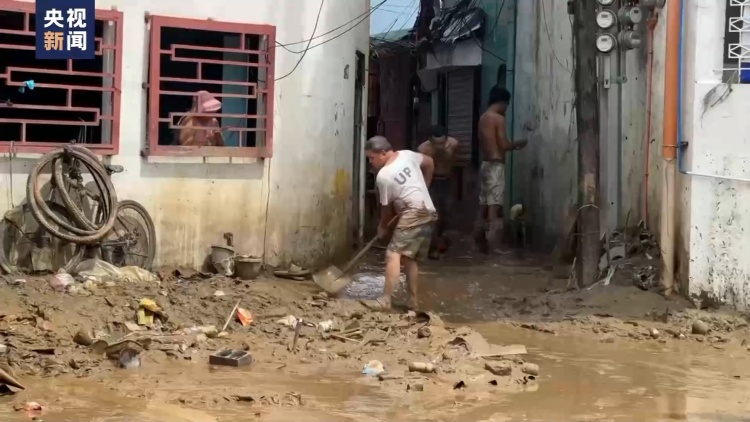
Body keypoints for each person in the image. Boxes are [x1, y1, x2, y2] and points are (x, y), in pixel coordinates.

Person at [362, 136, 436, 311]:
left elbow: (386, 209)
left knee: (392, 254)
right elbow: (430, 162)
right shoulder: (408, 155)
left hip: (414, 211)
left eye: (372, 158)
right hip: (429, 211)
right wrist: (425, 185)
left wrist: (382, 227)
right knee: (409, 258)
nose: (370, 163)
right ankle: (412, 301)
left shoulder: (384, 176)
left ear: (383, 153)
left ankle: (386, 300)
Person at [474, 86, 527, 253]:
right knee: (494, 206)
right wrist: (519, 144)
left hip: (485, 164)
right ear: (503, 103)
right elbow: (503, 145)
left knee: (483, 205)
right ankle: (494, 246)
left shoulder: (483, 118)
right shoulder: (498, 118)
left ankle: (478, 243)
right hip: (496, 165)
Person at [417, 125, 458, 259]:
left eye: (442, 143)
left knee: (447, 212)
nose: (440, 146)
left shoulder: (454, 144)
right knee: (433, 214)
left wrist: (446, 154)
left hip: (447, 180)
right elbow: (421, 170)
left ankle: (441, 239)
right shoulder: (423, 149)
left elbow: (455, 163)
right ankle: (432, 247)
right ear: (430, 140)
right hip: (432, 181)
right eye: (436, 144)